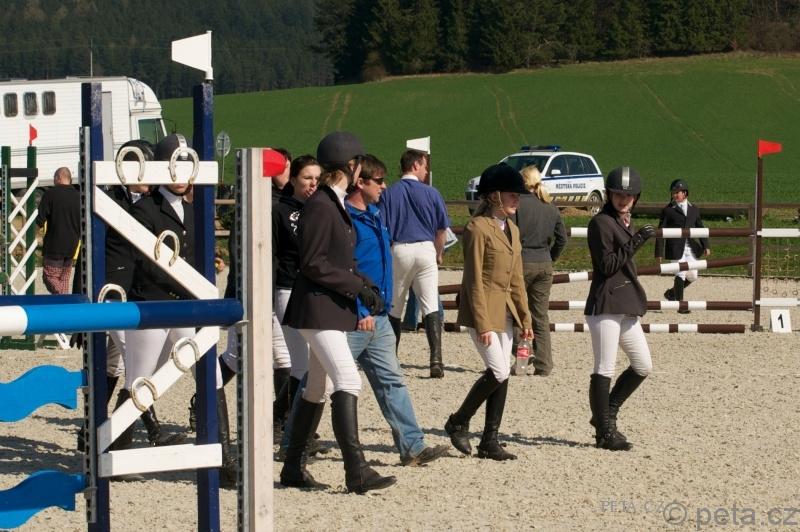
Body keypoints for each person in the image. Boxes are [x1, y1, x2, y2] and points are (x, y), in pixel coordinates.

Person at [280, 131, 396, 493]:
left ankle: (293, 467)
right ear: (351, 165)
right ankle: (356, 470)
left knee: (319, 386)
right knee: (348, 380)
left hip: (327, 307)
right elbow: (314, 263)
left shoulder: (335, 201)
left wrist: (365, 283)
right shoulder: (321, 205)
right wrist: (355, 287)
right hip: (317, 308)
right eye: (360, 163)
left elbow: (341, 261)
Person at [120, 134, 235, 484]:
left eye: (187, 169)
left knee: (211, 375)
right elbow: (145, 263)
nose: (181, 176)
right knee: (140, 380)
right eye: (175, 167)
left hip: (188, 307)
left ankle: (224, 457)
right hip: (154, 306)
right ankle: (117, 451)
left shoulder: (196, 210)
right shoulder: (144, 209)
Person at [345, 154, 449, 466]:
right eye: (378, 181)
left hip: (380, 310)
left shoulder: (379, 209)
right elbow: (343, 268)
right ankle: (293, 443)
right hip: (355, 316)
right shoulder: (346, 219)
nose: (383, 186)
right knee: (319, 385)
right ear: (360, 182)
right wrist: (360, 308)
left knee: (393, 381)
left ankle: (413, 446)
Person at [444, 163, 533, 461]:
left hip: (506, 312)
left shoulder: (514, 230)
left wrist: (525, 319)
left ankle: (489, 441)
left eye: (518, 195)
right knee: (498, 370)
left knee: (503, 374)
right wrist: (482, 323)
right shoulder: (477, 228)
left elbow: (517, 279)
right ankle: (458, 421)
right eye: (511, 194)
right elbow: (473, 279)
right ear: (494, 196)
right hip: (482, 310)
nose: (516, 199)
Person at [584, 166, 655, 452]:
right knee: (604, 367)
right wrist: (636, 241)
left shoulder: (624, 221)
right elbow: (608, 265)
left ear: (636, 197)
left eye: (628, 196)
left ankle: (607, 412)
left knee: (643, 365)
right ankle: (604, 432)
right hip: (606, 304)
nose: (623, 200)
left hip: (625, 304)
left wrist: (633, 237)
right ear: (608, 195)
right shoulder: (600, 223)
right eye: (618, 195)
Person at [379, 149, 450, 378]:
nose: (427, 171)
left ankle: (391, 360)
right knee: (430, 305)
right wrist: (438, 253)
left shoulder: (389, 193)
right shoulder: (432, 193)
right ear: (416, 165)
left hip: (400, 249)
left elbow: (383, 229)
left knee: (395, 306)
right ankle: (436, 360)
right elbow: (441, 230)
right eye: (425, 166)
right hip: (426, 249)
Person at [272, 155, 321, 434]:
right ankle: (286, 423)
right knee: (300, 364)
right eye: (307, 178)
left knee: (313, 364)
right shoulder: (279, 212)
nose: (313, 183)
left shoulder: (320, 210)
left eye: (317, 178)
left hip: (315, 291)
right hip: (289, 289)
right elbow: (273, 256)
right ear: (293, 180)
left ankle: (287, 421)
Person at [513, 165, 567, 376]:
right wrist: (551, 257)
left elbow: (511, 236)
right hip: (544, 263)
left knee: (517, 312)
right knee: (540, 316)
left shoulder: (517, 205)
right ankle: (544, 364)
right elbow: (562, 239)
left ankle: (522, 354)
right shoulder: (550, 206)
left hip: (522, 263)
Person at [655, 178, 711, 312]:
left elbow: (700, 227)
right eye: (673, 193)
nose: (674, 195)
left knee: (693, 276)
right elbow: (660, 231)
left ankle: (671, 293)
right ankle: (681, 306)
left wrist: (706, 245)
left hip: (690, 247)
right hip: (675, 247)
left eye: (677, 192)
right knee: (680, 273)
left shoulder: (694, 209)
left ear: (685, 193)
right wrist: (659, 252)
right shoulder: (668, 210)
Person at [36, 167, 80, 294]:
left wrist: (30, 237)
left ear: (59, 177)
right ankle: (64, 303)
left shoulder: (51, 194)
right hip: (72, 246)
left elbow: (40, 220)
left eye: (54, 178)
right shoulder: (78, 196)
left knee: (49, 276)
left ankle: (65, 298)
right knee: (64, 279)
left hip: (54, 246)